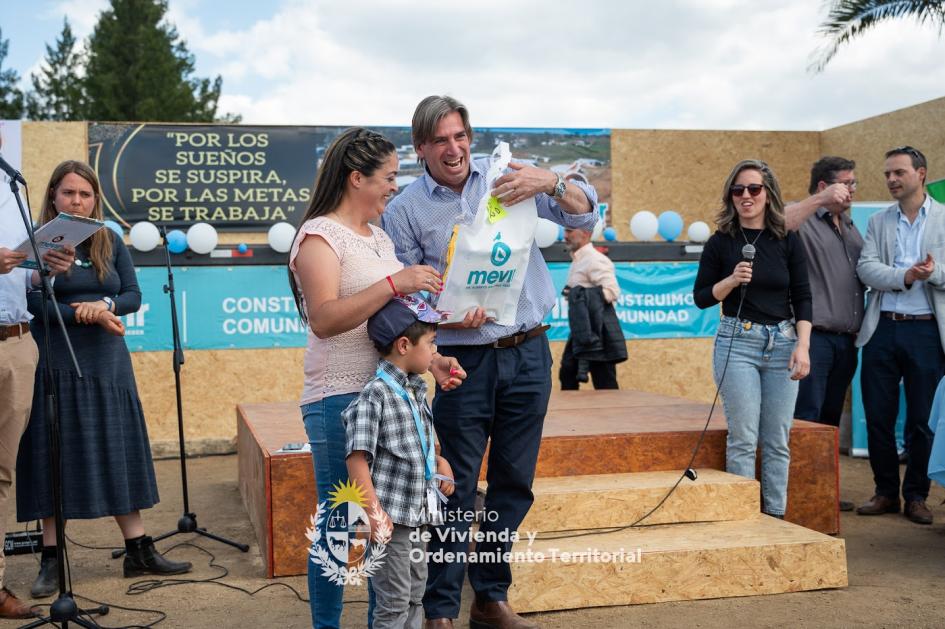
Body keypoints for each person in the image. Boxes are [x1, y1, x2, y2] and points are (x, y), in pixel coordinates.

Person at [382, 95, 597, 629]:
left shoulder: (509, 178)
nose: (453, 149)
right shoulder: (405, 209)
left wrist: (550, 182)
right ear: (421, 148)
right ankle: (439, 610)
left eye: (460, 137)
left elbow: (584, 211)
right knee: (454, 487)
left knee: (513, 480)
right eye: (440, 141)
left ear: (469, 138)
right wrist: (451, 321)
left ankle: (490, 597)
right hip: (460, 362)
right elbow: (407, 299)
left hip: (528, 351)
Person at [287, 127, 465, 629]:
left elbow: (393, 328)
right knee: (345, 526)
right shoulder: (320, 235)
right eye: (388, 177)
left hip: (394, 397)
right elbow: (324, 318)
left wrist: (431, 361)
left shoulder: (381, 237)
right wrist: (396, 281)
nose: (394, 186)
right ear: (356, 178)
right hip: (340, 397)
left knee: (392, 528)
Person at [16, 161, 192, 599]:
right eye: (69, 193)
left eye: (85, 194)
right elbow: (32, 303)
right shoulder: (37, 243)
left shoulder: (109, 239)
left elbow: (132, 294)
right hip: (54, 362)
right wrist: (82, 312)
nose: (77, 200)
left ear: (96, 198)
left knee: (118, 451)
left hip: (108, 363)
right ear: (53, 196)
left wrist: (106, 303)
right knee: (53, 457)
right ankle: (51, 562)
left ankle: (138, 550)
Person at [693, 159, 812, 519]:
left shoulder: (787, 240)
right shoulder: (720, 243)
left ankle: (775, 517)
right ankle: (742, 519)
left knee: (777, 440)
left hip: (784, 342)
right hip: (737, 342)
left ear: (768, 194)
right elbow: (701, 297)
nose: (746, 196)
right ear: (731, 196)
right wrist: (730, 281)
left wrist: (803, 346)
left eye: (754, 189)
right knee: (743, 438)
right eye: (738, 190)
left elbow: (803, 296)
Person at [343, 295, 456, 629]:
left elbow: (413, 446)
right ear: (404, 344)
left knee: (415, 595)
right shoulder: (375, 394)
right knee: (393, 603)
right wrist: (374, 514)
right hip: (392, 522)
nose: (436, 352)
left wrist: (439, 463)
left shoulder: (416, 389)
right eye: (432, 343)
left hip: (418, 515)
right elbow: (356, 458)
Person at [0, 138, 74, 619]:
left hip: (17, 342)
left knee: (2, 474)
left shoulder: (11, 189)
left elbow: (12, 273)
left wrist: (40, 270)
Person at [855, 146, 945, 526]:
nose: (891, 179)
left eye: (899, 173)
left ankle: (917, 496)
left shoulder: (943, 218)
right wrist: (905, 276)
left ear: (920, 174)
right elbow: (866, 270)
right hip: (883, 328)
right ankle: (886, 492)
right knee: (878, 415)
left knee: (923, 420)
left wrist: (933, 272)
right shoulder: (878, 221)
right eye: (888, 174)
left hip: (927, 331)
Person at [784, 156, 861, 511]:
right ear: (824, 187)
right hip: (814, 340)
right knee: (807, 419)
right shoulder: (802, 218)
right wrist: (818, 201)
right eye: (848, 183)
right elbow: (778, 223)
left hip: (847, 342)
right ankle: (797, 496)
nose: (853, 190)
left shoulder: (850, 226)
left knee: (828, 423)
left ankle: (823, 493)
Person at [559, 226, 625, 389]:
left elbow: (612, 291)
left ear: (586, 234)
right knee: (568, 373)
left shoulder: (595, 259)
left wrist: (579, 295)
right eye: (565, 231)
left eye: (569, 231)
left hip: (598, 330)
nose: (565, 235)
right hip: (581, 329)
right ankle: (572, 414)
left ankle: (611, 414)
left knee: (605, 383)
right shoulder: (578, 259)